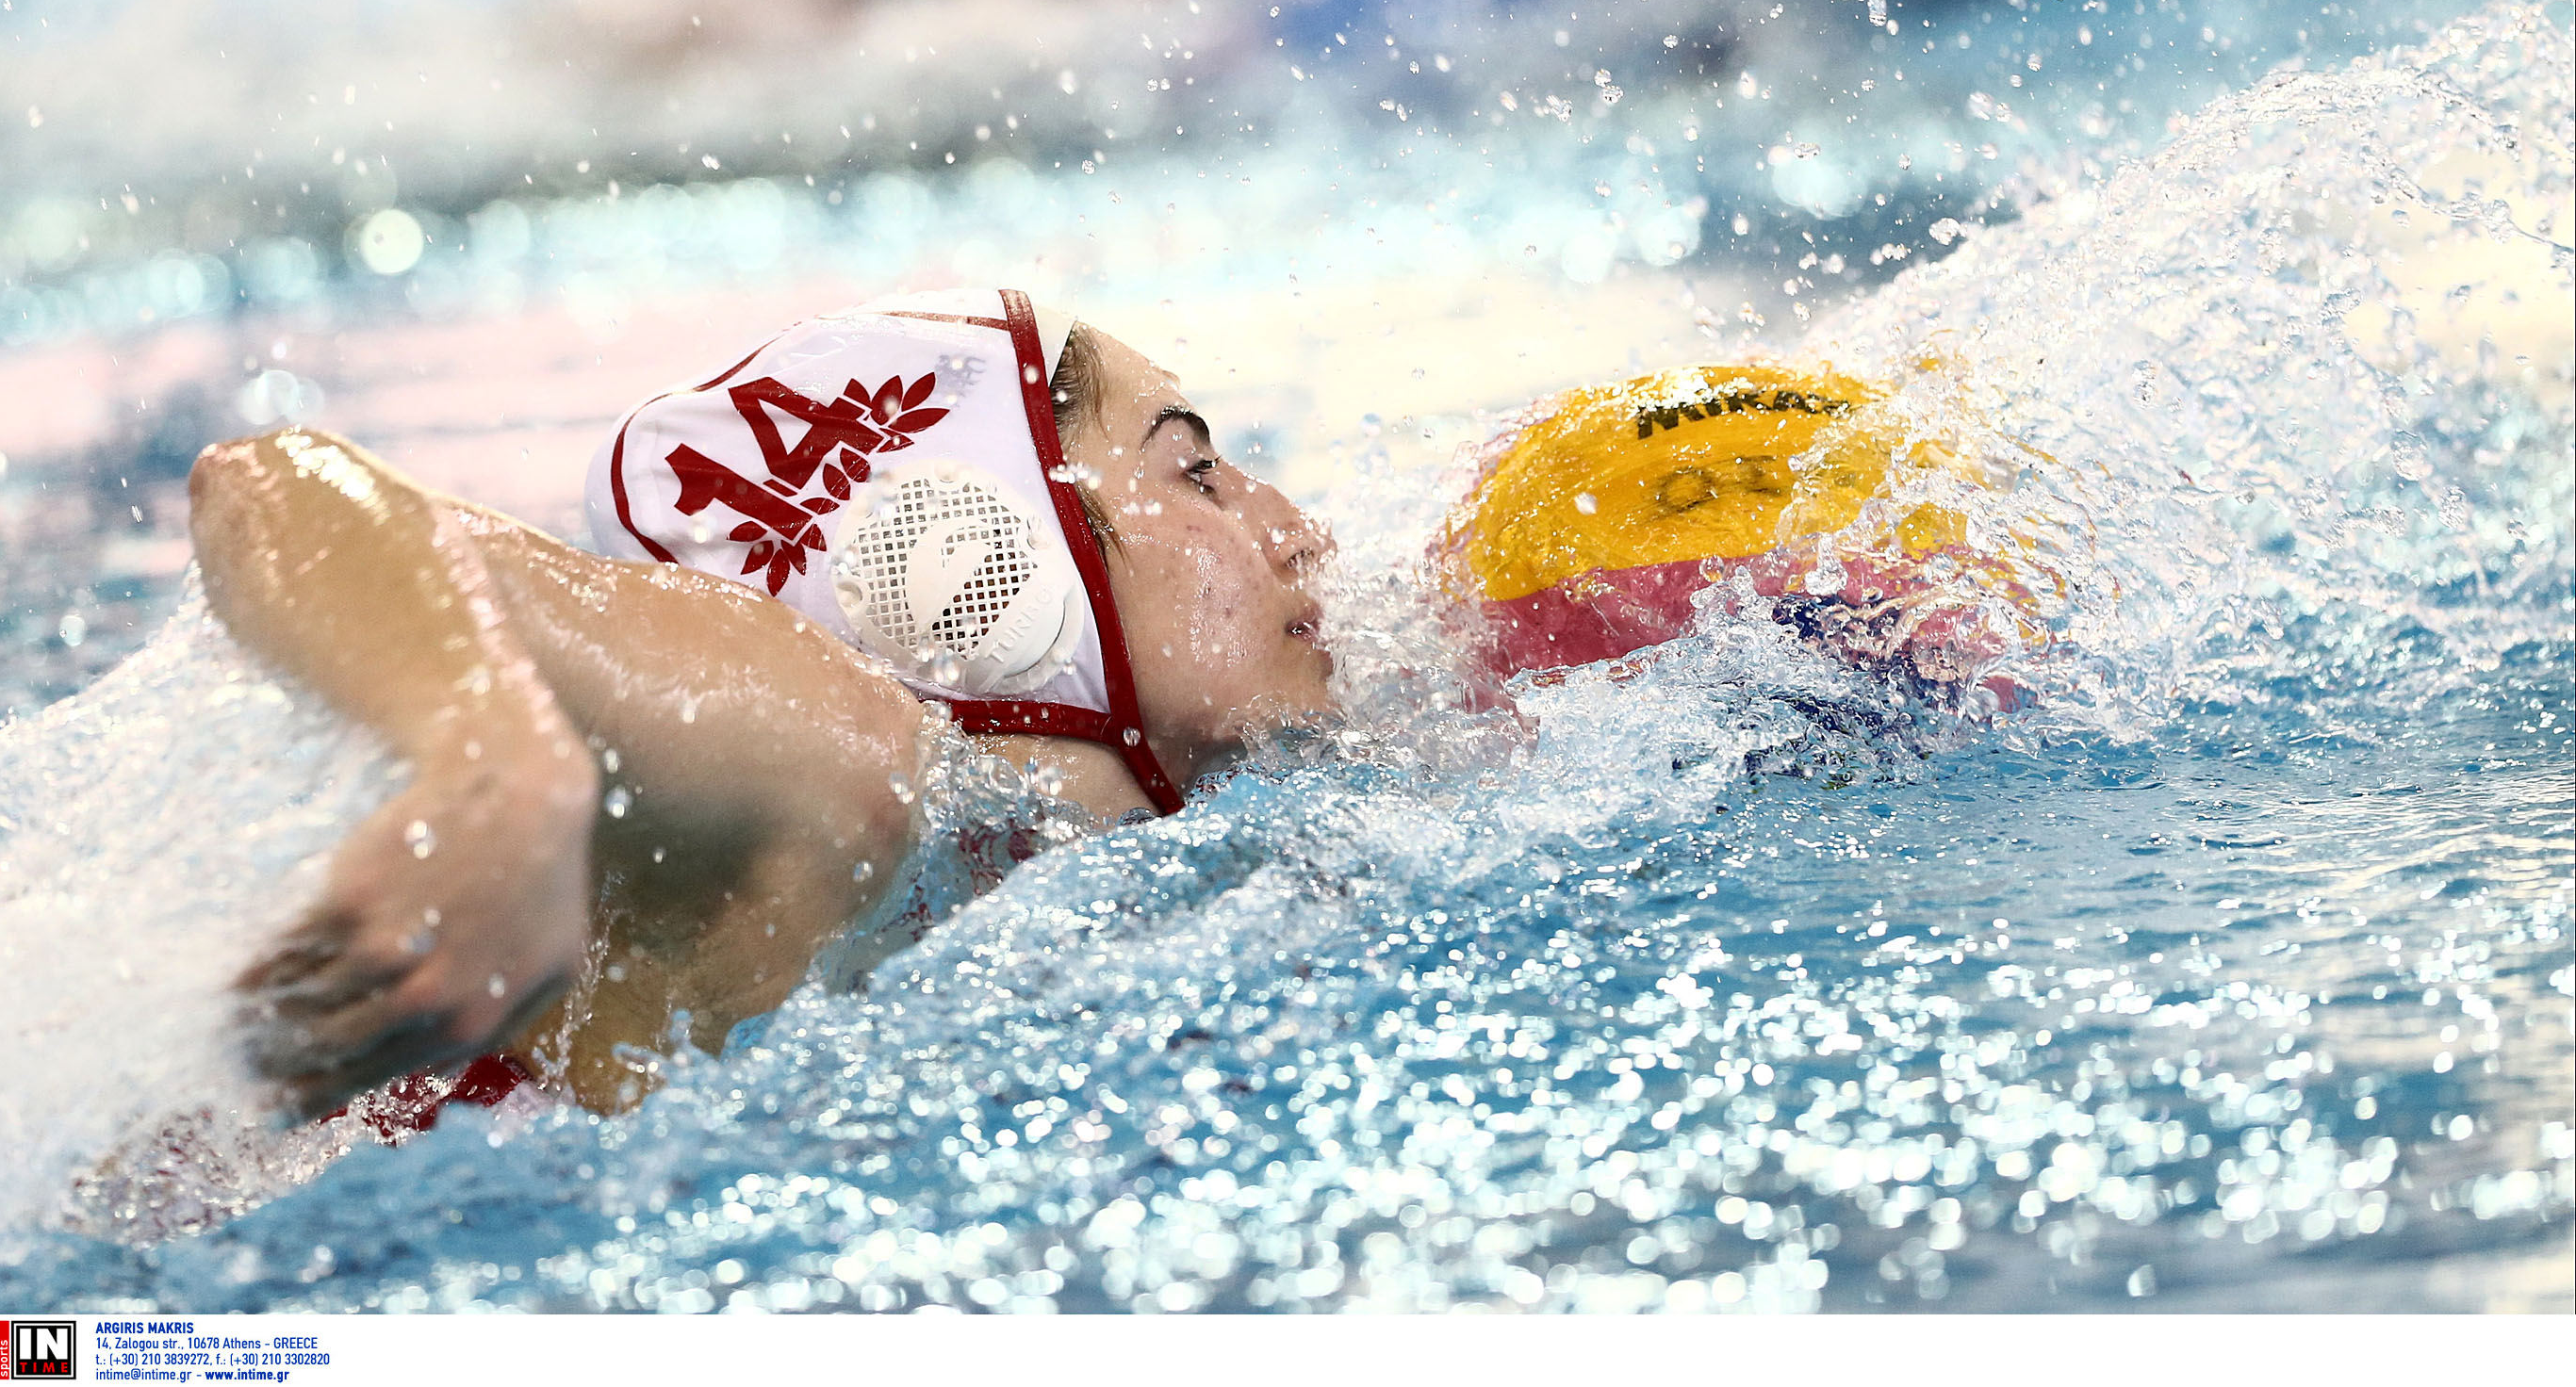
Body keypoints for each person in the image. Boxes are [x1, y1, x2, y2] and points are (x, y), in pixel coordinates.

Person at [187, 286, 2048, 1132]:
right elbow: (273, 485)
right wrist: (489, 750)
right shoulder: (846, 763)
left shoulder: (1025, 843)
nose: (1297, 524)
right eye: (1202, 465)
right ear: (972, 566)